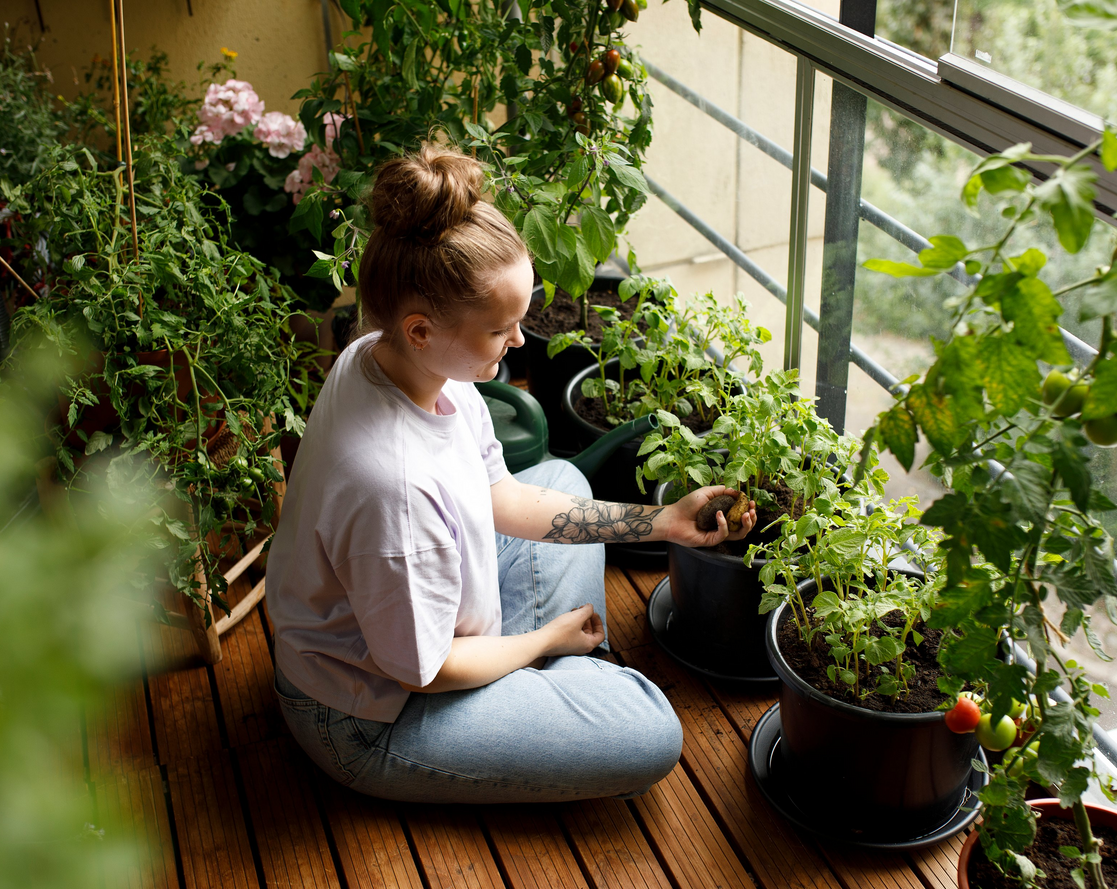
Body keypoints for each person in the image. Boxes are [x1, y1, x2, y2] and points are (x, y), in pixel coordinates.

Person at [265, 144, 755, 804]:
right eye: (501, 329)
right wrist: (545, 639)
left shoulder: (390, 358)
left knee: (563, 482)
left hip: (425, 628)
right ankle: (560, 677)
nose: (521, 342)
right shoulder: (392, 489)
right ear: (420, 330)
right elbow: (426, 672)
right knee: (651, 732)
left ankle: (552, 690)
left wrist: (662, 521)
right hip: (372, 715)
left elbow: (503, 496)